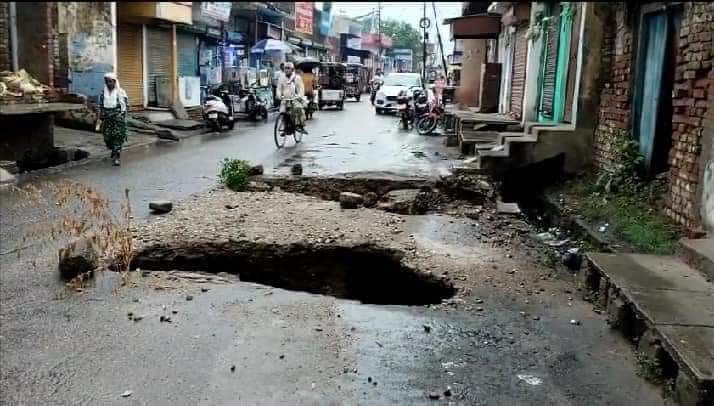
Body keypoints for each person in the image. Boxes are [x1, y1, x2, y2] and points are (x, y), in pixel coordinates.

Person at [98, 72, 128, 166]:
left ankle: (116, 156)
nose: (108, 83)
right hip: (107, 119)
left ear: (114, 82)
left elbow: (126, 105)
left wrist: (122, 116)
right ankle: (113, 150)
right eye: (107, 81)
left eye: (110, 81)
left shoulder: (121, 92)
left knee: (118, 137)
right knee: (108, 138)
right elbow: (100, 106)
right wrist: (99, 118)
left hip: (118, 118)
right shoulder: (103, 92)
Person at [276, 62, 307, 135]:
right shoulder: (281, 78)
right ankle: (285, 127)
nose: (286, 70)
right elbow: (279, 89)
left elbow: (301, 89)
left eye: (288, 68)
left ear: (292, 69)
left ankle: (300, 125)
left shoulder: (297, 78)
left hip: (294, 99)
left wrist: (299, 96)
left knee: (298, 108)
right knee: (282, 111)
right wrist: (279, 95)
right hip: (285, 99)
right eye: (285, 68)